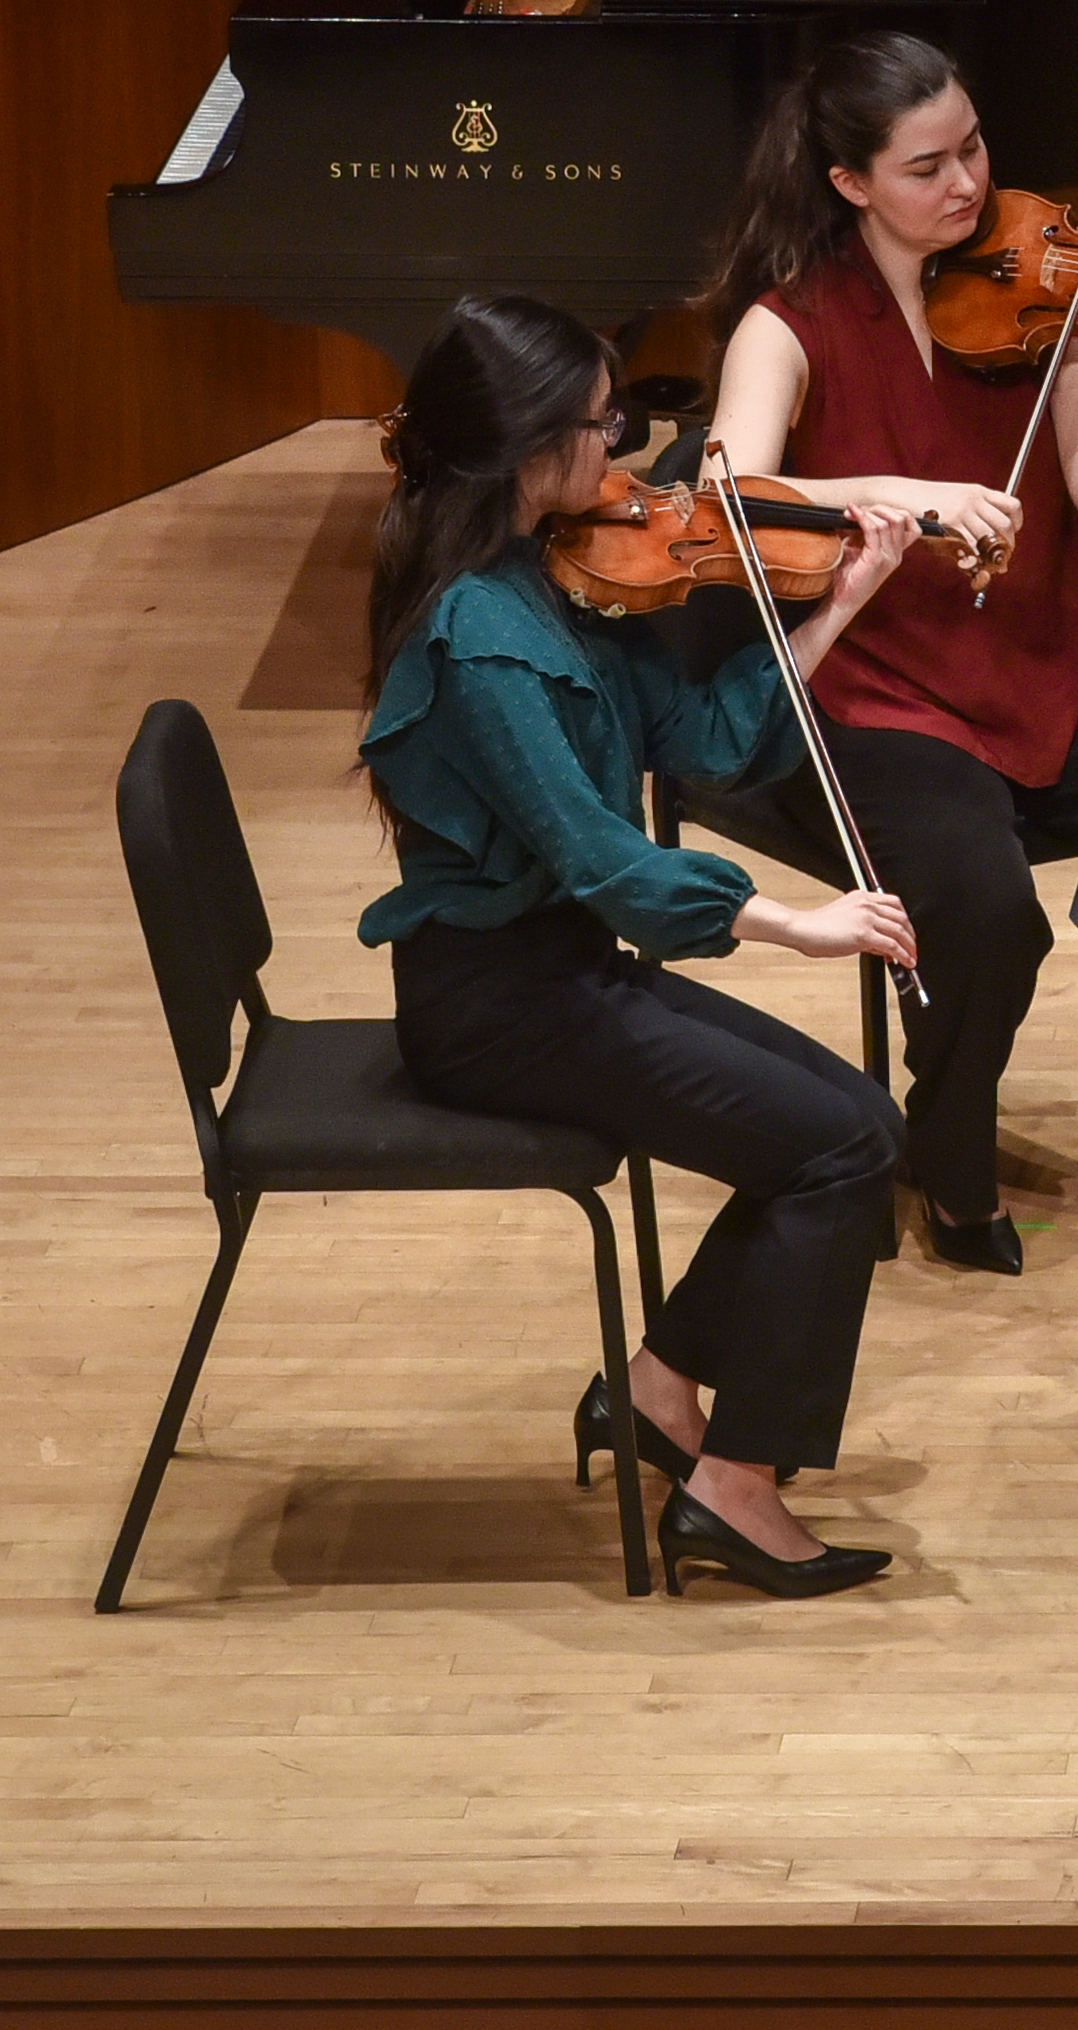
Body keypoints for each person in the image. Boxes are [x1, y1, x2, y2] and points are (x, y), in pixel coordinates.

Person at [700, 29, 1078, 1282]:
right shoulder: (789, 323)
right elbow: (739, 495)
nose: (968, 185)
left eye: (973, 146)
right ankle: (948, 1147)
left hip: (1041, 670)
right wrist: (906, 493)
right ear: (851, 182)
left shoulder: (1049, 302)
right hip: (879, 694)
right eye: (927, 167)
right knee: (983, 910)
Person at [357, 293, 926, 1601]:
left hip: (561, 975)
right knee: (839, 1146)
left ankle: (660, 1393)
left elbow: (713, 745)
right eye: (599, 427)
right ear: (523, 448)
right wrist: (795, 924)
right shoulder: (482, 637)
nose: (625, 458)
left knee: (848, 1128)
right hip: (496, 1003)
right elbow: (607, 868)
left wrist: (835, 603)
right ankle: (732, 1485)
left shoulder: (559, 573)